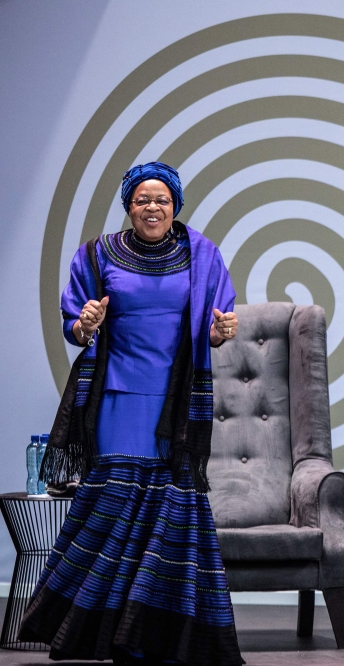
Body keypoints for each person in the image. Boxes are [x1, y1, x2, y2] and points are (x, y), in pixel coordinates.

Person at [19, 162, 244, 665]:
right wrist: (84, 324)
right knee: (114, 512)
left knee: (169, 516)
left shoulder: (202, 256)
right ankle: (94, 634)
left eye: (162, 199)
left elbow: (214, 327)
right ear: (128, 206)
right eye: (142, 199)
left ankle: (153, 636)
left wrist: (219, 334)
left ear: (176, 206)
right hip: (119, 397)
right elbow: (76, 328)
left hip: (178, 404)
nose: (152, 207)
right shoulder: (97, 256)